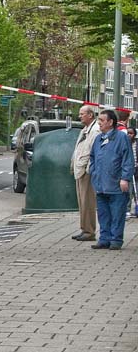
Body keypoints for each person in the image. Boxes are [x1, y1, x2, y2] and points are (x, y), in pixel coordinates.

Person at [89, 109, 135, 250]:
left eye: (102, 121)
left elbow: (128, 160)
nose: (99, 123)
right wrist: (94, 173)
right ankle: (104, 239)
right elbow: (93, 158)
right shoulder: (98, 139)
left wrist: (125, 178)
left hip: (116, 184)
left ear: (110, 122)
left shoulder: (122, 138)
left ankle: (116, 240)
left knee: (117, 214)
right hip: (101, 184)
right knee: (103, 214)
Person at [70, 105, 100, 241]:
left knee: (87, 201)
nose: (80, 116)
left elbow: (92, 152)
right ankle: (84, 228)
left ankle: (89, 231)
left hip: (85, 171)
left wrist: (88, 170)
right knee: (82, 201)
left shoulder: (94, 130)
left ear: (90, 115)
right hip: (80, 169)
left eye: (82, 114)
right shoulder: (85, 129)